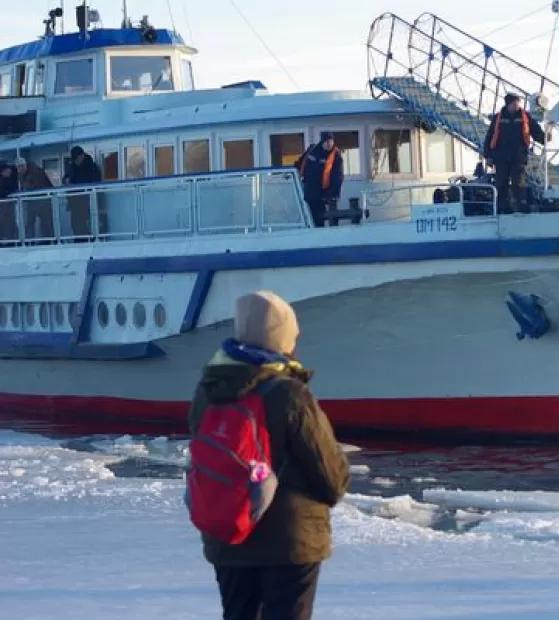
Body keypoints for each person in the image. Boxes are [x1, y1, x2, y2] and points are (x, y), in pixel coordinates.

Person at [189, 290, 350, 620]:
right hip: (291, 542)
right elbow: (330, 474)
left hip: (228, 533)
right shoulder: (289, 393)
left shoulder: (208, 391)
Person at [482, 93, 546, 214]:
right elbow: (490, 136)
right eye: (514, 103)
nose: (517, 105)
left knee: (518, 181)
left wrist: (544, 139)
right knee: (501, 182)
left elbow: (535, 130)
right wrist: (488, 155)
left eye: (518, 103)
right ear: (508, 104)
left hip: (518, 156)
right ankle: (503, 206)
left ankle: (521, 205)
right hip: (501, 156)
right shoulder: (498, 118)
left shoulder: (525, 117)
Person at [298, 132, 344, 228]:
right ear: (322, 141)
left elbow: (338, 176)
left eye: (331, 141)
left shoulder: (336, 155)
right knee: (309, 217)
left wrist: (333, 194)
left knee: (319, 219)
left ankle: (319, 236)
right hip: (308, 192)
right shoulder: (312, 150)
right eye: (326, 141)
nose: (328, 143)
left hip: (322, 194)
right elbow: (299, 163)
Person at [64, 146, 103, 237]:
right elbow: (66, 177)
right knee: (75, 226)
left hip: (87, 203)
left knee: (87, 226)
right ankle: (78, 243)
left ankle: (88, 242)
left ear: (82, 156)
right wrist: (66, 180)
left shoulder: (91, 167)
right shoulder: (72, 167)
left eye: (77, 158)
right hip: (74, 203)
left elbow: (96, 183)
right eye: (74, 159)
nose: (76, 161)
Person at [16, 157, 54, 240]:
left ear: (24, 166)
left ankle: (49, 240)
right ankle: (30, 241)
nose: (20, 169)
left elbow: (37, 186)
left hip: (44, 199)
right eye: (18, 167)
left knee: (46, 222)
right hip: (33, 201)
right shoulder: (22, 174)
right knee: (30, 222)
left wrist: (26, 189)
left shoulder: (35, 171)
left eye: (21, 166)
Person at [0, 163, 18, 241]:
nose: (8, 172)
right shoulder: (3, 180)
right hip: (5, 204)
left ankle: (12, 238)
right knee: (6, 222)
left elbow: (12, 188)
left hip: (8, 204)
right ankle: (8, 238)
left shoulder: (11, 177)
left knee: (10, 222)